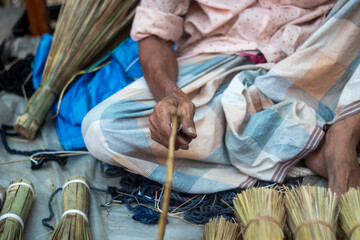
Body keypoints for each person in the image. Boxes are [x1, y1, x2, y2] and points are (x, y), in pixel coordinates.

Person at [82, 0, 360, 195]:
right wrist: (169, 94)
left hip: (322, 63)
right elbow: (156, 33)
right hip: (219, 64)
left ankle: (343, 135)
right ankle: (305, 141)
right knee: (102, 129)